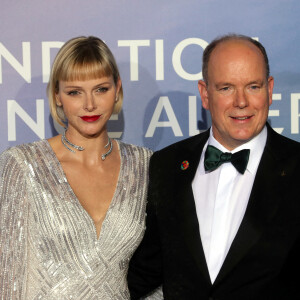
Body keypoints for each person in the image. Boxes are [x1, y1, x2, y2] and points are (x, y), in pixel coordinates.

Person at [128, 34, 300, 299]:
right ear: (205, 94)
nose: (241, 101)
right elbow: (146, 270)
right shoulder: (167, 166)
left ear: (270, 89)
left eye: (253, 86)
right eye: (226, 88)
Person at [0, 36, 152, 299]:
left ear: (117, 89)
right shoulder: (23, 165)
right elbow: (9, 275)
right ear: (57, 96)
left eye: (101, 89)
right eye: (74, 92)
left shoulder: (144, 165)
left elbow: (159, 270)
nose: (89, 104)